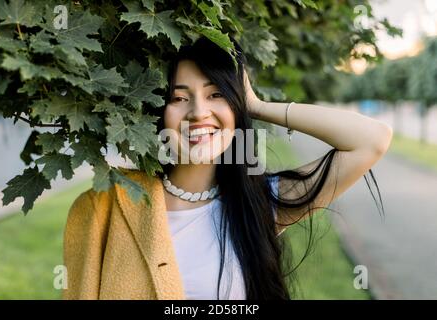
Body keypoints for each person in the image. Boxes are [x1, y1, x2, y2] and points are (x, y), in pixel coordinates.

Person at [62, 36, 392, 300]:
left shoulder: (261, 203)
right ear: (159, 112)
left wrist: (257, 106)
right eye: (179, 98)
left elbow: (371, 140)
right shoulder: (110, 205)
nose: (198, 112)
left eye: (217, 94)